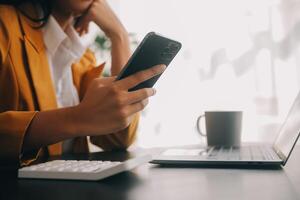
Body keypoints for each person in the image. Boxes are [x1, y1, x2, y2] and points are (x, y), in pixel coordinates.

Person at [0, 0, 166, 168]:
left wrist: (119, 36)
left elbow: (117, 139)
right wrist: (76, 119)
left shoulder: (83, 57)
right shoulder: (4, 25)